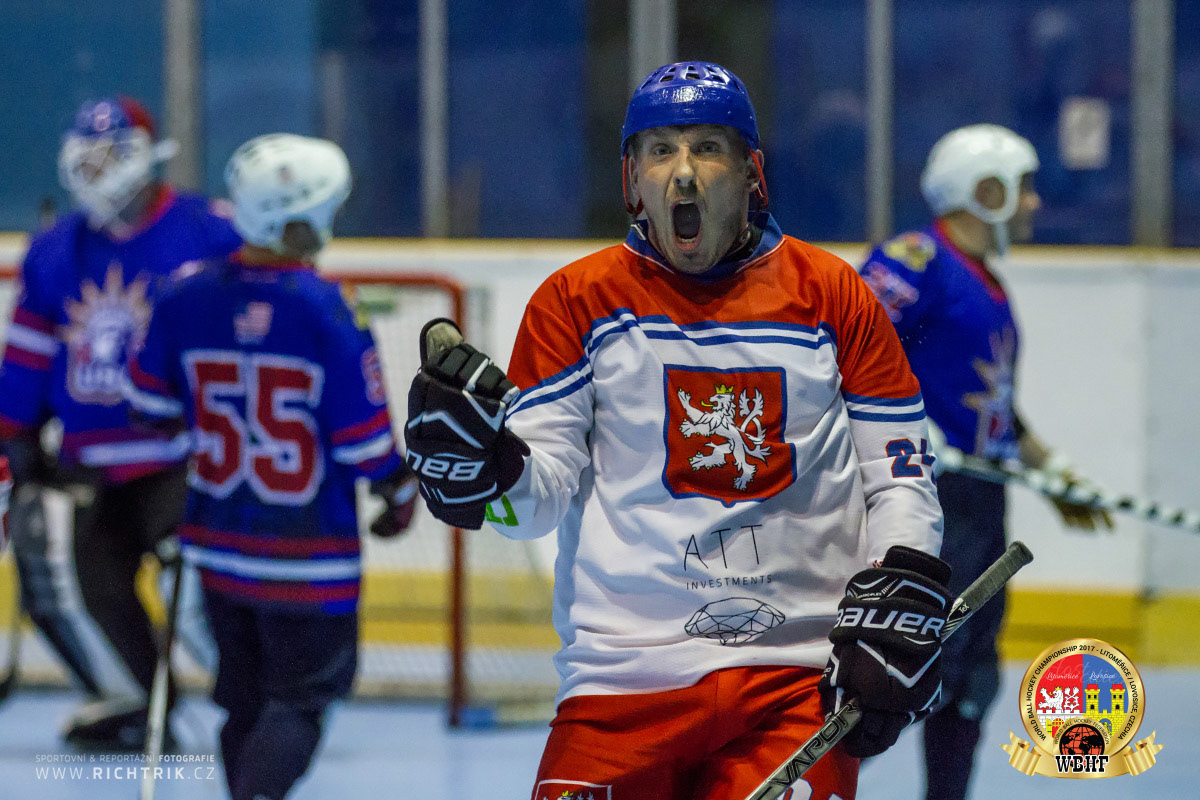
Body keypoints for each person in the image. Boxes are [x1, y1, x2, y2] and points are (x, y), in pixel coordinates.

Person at [406, 62, 950, 800]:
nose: (684, 173)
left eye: (708, 148)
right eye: (660, 151)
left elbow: (900, 475)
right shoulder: (574, 301)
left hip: (792, 682)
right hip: (619, 683)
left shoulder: (834, 295)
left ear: (752, 173)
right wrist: (488, 474)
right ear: (632, 180)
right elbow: (535, 505)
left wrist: (903, 583)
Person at [126, 132, 419, 800]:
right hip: (308, 558)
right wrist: (397, 491)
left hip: (218, 549)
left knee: (245, 702)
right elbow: (362, 444)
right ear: (303, 218)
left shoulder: (183, 294)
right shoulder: (327, 309)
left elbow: (147, 407)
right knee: (299, 701)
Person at [857, 123, 1113, 800]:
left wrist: (1053, 470)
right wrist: (903, 431)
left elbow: (991, 408)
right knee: (904, 671)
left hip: (979, 500)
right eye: (1022, 188)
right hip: (927, 500)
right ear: (985, 190)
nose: (1033, 203)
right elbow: (845, 348)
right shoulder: (917, 261)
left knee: (969, 678)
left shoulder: (987, 283)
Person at [0, 96, 240, 747]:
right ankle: (135, 699)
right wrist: (14, 434)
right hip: (88, 467)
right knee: (62, 579)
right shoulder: (54, 251)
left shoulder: (211, 233)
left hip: (184, 458)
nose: (97, 172)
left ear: (145, 155)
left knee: (202, 592)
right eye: (87, 160)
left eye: (110, 157)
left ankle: (257, 699)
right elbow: (27, 356)